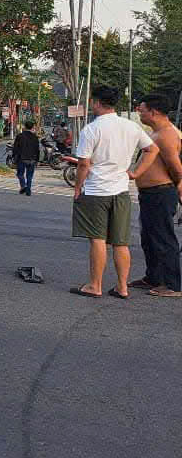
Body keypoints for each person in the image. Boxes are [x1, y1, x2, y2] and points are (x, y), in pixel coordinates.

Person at [70, 85, 159, 299]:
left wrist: (78, 187)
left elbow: (83, 164)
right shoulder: (131, 127)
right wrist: (136, 173)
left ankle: (95, 285)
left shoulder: (91, 129)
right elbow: (152, 149)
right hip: (121, 190)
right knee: (121, 242)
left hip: (96, 191)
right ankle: (122, 287)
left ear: (97, 102)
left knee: (98, 239)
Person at [127, 93, 182, 297]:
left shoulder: (167, 135)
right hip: (150, 194)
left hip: (161, 193)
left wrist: (178, 187)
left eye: (142, 109)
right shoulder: (155, 133)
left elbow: (176, 168)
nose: (139, 112)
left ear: (154, 111)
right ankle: (154, 277)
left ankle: (173, 284)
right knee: (149, 238)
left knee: (163, 239)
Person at [14, 120, 41, 196]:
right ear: (32, 127)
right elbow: (37, 150)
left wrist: (14, 157)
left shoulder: (20, 136)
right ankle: (28, 190)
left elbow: (15, 148)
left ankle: (23, 186)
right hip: (32, 159)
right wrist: (37, 160)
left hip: (22, 159)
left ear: (24, 127)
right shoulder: (35, 137)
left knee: (20, 174)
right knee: (29, 176)